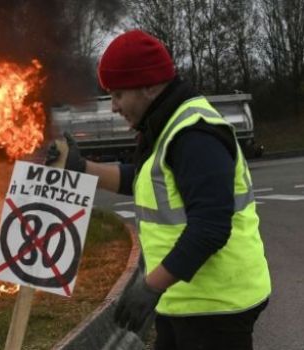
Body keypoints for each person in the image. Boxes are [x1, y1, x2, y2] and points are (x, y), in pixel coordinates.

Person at [47, 29, 271, 349]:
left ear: (150, 87)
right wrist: (82, 169)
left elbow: (210, 227)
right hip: (186, 300)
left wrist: (149, 287)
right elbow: (144, 180)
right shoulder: (167, 125)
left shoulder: (194, 134)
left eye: (118, 95)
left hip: (217, 308)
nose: (113, 106)